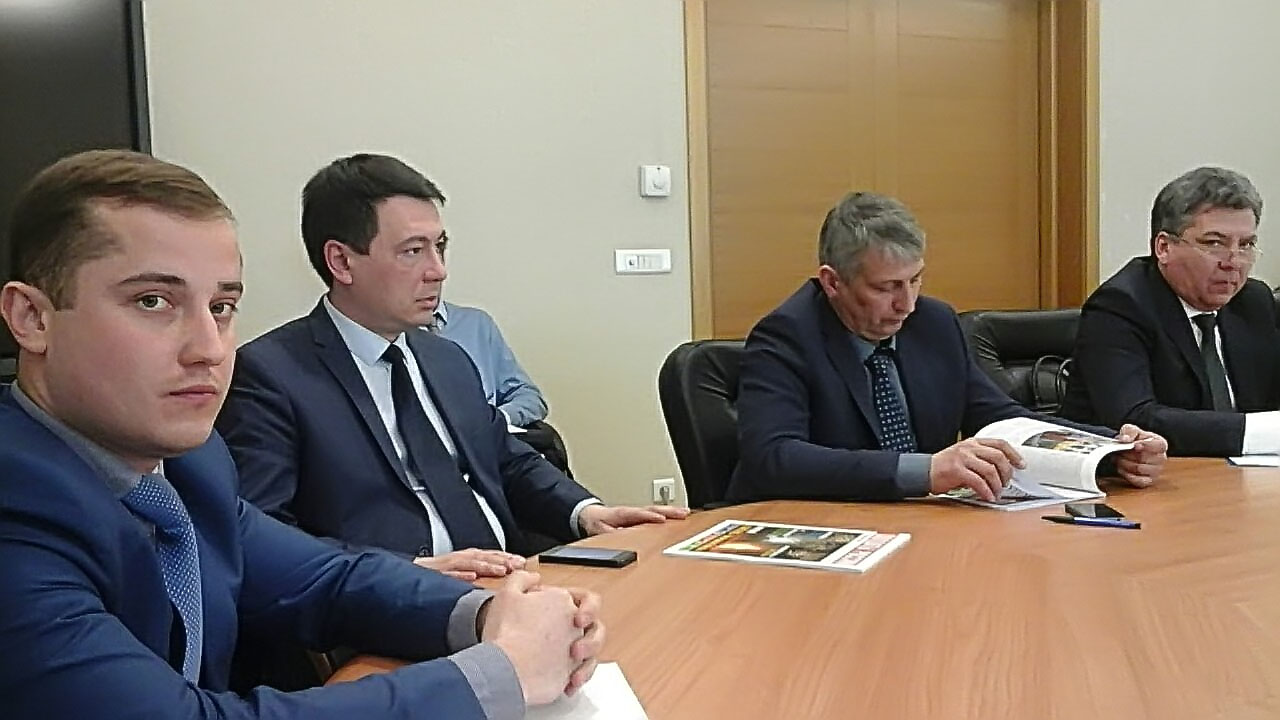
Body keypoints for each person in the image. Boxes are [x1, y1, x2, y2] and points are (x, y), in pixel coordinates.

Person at [0, 149, 603, 719]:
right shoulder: (18, 512)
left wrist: (487, 613)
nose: (209, 350)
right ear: (31, 318)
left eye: (221, 307)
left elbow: (324, 579)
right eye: (153, 301)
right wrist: (501, 673)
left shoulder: (191, 464)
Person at [217, 153, 686, 581]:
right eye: (413, 251)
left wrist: (585, 512)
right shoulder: (270, 375)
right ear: (341, 261)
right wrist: (408, 572)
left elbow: (506, 459)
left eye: (440, 246)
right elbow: (264, 534)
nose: (438, 270)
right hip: (386, 605)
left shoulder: (446, 357)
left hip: (511, 581)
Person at [725, 191, 1169, 504]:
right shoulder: (787, 336)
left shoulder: (933, 323)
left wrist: (1109, 449)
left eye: (915, 280)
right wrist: (926, 471)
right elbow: (774, 458)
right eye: (886, 287)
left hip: (920, 529)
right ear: (832, 282)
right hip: (815, 531)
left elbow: (1000, 418)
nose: (906, 303)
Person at [1061, 167, 1280, 456]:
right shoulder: (1120, 306)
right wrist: (1260, 433)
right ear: (1164, 247)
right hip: (1135, 477)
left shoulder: (1253, 301)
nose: (1234, 262)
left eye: (1246, 245)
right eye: (1214, 243)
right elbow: (1134, 419)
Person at [432, 295, 572, 476]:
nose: (435, 280)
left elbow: (529, 397)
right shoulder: (398, 337)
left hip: (493, 461)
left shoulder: (476, 324)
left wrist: (496, 420)